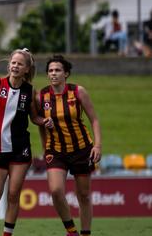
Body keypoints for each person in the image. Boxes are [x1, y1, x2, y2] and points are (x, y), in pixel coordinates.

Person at [0, 49, 53, 236]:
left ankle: (7, 233)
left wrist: (44, 121)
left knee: (13, 194)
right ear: (9, 64)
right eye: (13, 63)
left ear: (27, 69)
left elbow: (34, 117)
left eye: (20, 64)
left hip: (21, 150)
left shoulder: (29, 91)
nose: (15, 66)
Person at [36, 55, 102, 236]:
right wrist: (44, 147)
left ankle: (86, 232)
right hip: (56, 151)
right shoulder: (41, 96)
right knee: (56, 191)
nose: (53, 74)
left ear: (66, 73)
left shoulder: (78, 91)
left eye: (57, 70)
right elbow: (39, 123)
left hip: (82, 149)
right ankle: (71, 231)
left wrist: (97, 146)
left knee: (84, 195)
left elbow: (94, 120)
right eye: (50, 70)